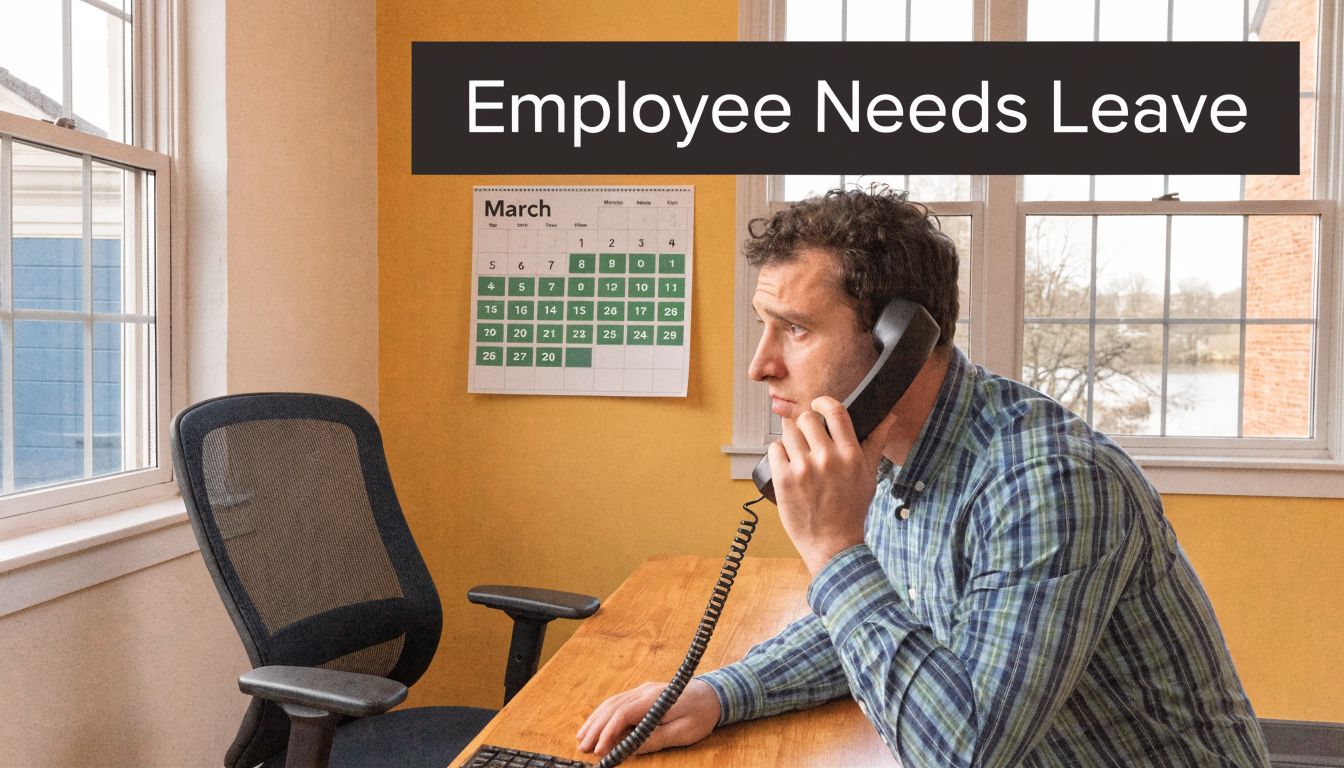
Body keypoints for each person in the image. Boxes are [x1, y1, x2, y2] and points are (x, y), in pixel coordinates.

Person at [576, 187, 1270, 767]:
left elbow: (964, 753)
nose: (760, 365)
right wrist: (721, 692)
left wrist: (832, 548)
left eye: (794, 329)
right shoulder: (881, 453)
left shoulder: (1048, 484)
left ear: (899, 343)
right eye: (765, 325)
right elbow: (874, 619)